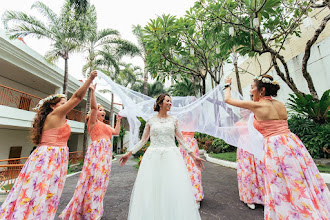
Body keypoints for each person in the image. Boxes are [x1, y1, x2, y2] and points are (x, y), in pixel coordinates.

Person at [224, 75, 330, 219]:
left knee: (279, 182)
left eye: (252, 88)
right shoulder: (280, 104)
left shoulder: (258, 105)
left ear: (261, 91)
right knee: (300, 178)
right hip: (292, 143)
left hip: (275, 147)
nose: (250, 91)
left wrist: (227, 85)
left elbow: (228, 100)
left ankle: (292, 213)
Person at [0, 71, 97, 220]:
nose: (66, 106)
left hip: (55, 157)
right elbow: (77, 97)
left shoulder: (56, 118)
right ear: (53, 106)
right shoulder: (55, 115)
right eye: (63, 104)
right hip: (49, 158)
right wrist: (89, 79)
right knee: (39, 191)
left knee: (48, 194)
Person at [119, 94, 204, 220]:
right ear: (160, 103)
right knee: (153, 188)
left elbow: (182, 140)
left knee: (171, 187)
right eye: (168, 101)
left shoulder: (174, 120)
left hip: (171, 157)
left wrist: (193, 155)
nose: (170, 103)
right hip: (153, 158)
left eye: (171, 101)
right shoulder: (150, 120)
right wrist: (129, 152)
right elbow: (143, 141)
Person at [59, 84, 121, 220]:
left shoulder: (106, 126)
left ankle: (94, 209)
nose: (103, 111)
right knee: (92, 180)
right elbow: (93, 107)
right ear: (95, 113)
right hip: (96, 154)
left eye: (103, 110)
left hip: (105, 156)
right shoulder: (93, 122)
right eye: (100, 110)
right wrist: (93, 91)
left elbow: (116, 132)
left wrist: (118, 121)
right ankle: (89, 211)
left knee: (101, 182)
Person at [235, 110, 265, 210]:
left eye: (244, 109)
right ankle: (249, 198)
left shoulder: (253, 120)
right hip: (243, 148)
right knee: (247, 172)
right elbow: (230, 133)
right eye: (241, 110)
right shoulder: (238, 123)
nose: (242, 111)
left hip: (254, 145)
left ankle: (262, 197)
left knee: (258, 170)